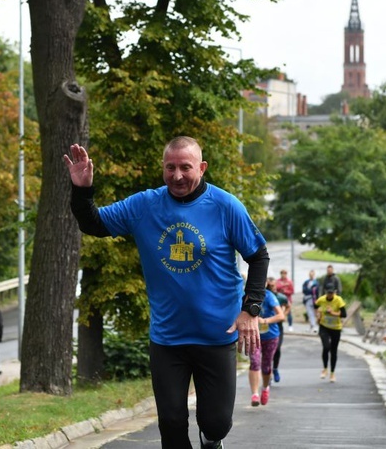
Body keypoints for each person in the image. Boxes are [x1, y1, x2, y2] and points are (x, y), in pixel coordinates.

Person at [63, 137, 269, 449]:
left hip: (216, 336)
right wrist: (82, 190)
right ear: (163, 168)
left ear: (201, 167)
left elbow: (258, 256)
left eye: (185, 167)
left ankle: (211, 440)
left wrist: (250, 309)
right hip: (168, 338)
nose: (177, 176)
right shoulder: (144, 205)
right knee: (171, 424)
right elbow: (93, 224)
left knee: (216, 423)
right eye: (170, 168)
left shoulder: (225, 206)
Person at [249, 278, 285, 406]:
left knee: (266, 366)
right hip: (254, 335)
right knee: (254, 362)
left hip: (270, 336)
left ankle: (265, 388)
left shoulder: (269, 296)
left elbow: (281, 316)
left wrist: (264, 321)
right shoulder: (247, 296)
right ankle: (255, 394)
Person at [314, 281, 346, 382]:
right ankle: (324, 369)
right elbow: (315, 306)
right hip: (324, 327)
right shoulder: (322, 300)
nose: (330, 295)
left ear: (335, 292)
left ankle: (332, 373)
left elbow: (344, 314)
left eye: (332, 293)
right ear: (325, 292)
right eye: (328, 293)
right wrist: (318, 315)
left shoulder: (338, 300)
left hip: (336, 328)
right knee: (326, 347)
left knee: (333, 351)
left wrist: (333, 313)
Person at [268, 277, 290, 383]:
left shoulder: (281, 297)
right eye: (270, 286)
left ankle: (275, 369)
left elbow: (288, 306)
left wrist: (284, 314)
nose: (272, 288)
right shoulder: (265, 296)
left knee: (277, 348)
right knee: (267, 351)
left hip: (278, 326)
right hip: (266, 327)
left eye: (274, 285)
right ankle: (268, 372)